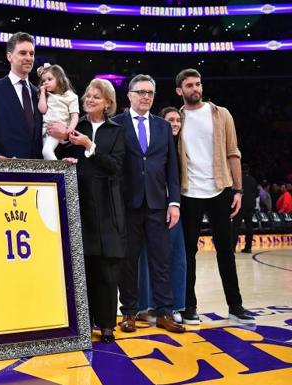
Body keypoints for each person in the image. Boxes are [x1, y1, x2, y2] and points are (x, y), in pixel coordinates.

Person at [175, 68, 255, 324]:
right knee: (188, 253)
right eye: (189, 85)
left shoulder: (222, 114)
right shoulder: (175, 119)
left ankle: (236, 305)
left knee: (226, 251)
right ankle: (189, 306)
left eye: (198, 84)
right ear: (180, 90)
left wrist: (238, 189)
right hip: (189, 192)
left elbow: (233, 152)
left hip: (220, 189)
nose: (195, 89)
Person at [54, 78, 125, 343]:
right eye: (88, 95)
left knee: (106, 270)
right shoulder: (76, 127)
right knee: (81, 267)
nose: (90, 99)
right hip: (79, 203)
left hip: (107, 206)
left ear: (108, 102)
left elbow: (115, 166)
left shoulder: (116, 130)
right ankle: (84, 322)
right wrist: (67, 160)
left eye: (96, 96)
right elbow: (62, 158)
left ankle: (107, 324)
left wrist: (89, 147)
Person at [115, 74, 185, 334]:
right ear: (130, 95)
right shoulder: (116, 124)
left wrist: (174, 202)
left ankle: (165, 312)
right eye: (141, 92)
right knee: (129, 261)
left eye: (150, 93)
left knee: (161, 260)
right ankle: (130, 312)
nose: (146, 96)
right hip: (128, 204)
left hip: (158, 203)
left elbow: (172, 169)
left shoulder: (163, 127)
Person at [136, 107, 187, 324]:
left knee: (174, 256)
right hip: (150, 203)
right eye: (170, 120)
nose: (174, 124)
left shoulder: (183, 146)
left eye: (178, 120)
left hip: (171, 205)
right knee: (145, 256)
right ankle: (145, 306)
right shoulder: (154, 140)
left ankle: (175, 306)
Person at [0, 32, 43, 159]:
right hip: (3, 172)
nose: (29, 58)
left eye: (32, 53)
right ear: (9, 56)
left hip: (38, 172)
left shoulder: (40, 94)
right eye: (23, 53)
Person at [36, 63, 79, 160]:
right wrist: (42, 93)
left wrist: (70, 128)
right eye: (43, 81)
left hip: (59, 129)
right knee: (46, 154)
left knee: (46, 151)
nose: (45, 82)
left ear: (59, 79)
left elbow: (74, 115)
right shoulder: (47, 96)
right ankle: (54, 172)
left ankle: (58, 171)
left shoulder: (71, 96)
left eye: (49, 79)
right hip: (45, 130)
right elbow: (42, 109)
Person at [231, 164, 259, 253]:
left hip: (240, 204)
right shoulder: (252, 179)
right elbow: (256, 193)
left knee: (236, 226)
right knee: (249, 226)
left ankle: (232, 247)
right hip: (250, 205)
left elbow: (233, 191)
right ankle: (248, 247)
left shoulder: (238, 178)